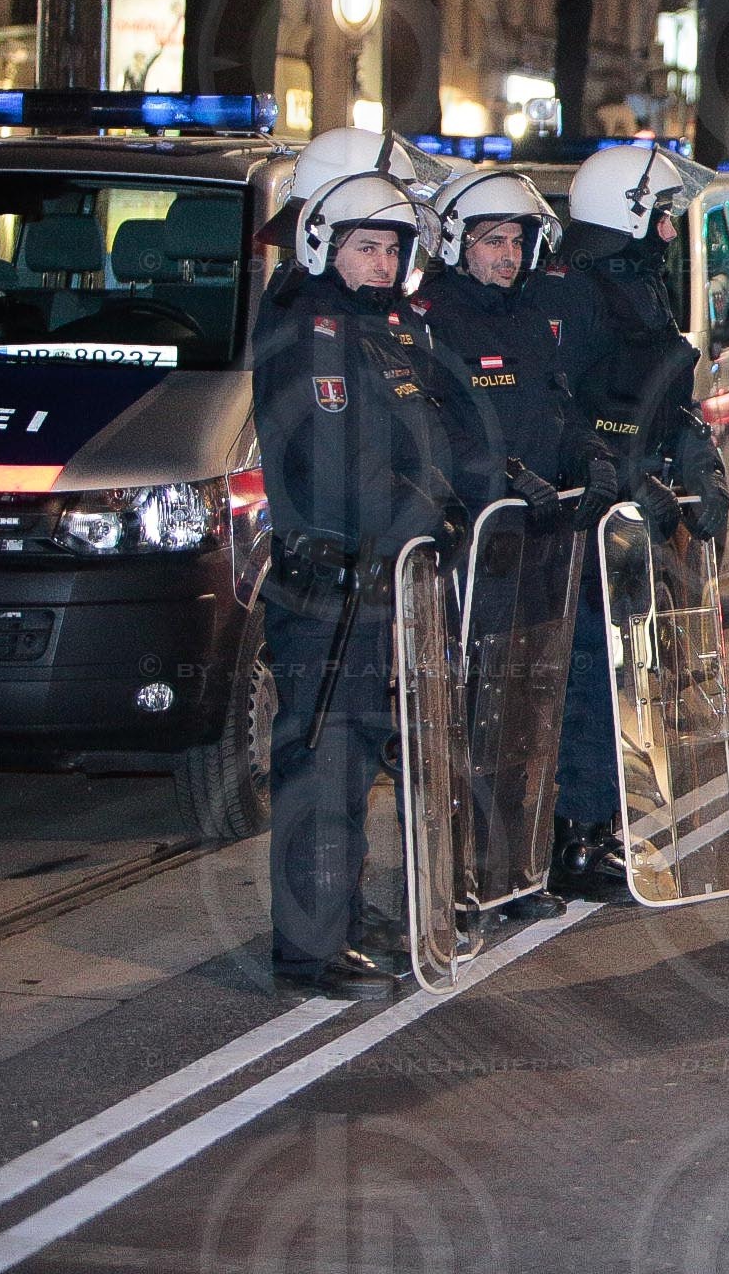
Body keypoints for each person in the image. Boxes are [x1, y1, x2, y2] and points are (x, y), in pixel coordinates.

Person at [252, 174, 464, 999]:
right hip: (329, 589)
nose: (380, 264)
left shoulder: (376, 329)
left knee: (355, 760)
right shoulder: (311, 328)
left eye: (390, 249)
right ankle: (307, 950)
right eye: (364, 248)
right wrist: (418, 513)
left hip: (377, 582)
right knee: (322, 766)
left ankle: (335, 920)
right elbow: (340, 466)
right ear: (322, 246)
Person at [418, 168, 619, 925]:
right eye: (492, 240)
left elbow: (555, 407)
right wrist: (500, 474)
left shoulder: (530, 316)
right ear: (457, 244)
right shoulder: (434, 318)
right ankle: (461, 879)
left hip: (540, 547)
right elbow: (434, 429)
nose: (507, 255)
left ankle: (518, 868)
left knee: (532, 714)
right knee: (471, 717)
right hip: (477, 549)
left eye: (516, 241)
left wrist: (588, 455)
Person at [539, 143, 729, 903]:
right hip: (586, 520)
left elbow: (660, 400)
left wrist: (697, 460)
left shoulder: (637, 290)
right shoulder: (576, 296)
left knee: (628, 676)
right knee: (591, 678)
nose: (670, 230)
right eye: (661, 215)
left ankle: (602, 825)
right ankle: (575, 838)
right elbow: (569, 414)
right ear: (626, 214)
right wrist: (627, 473)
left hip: (630, 520)